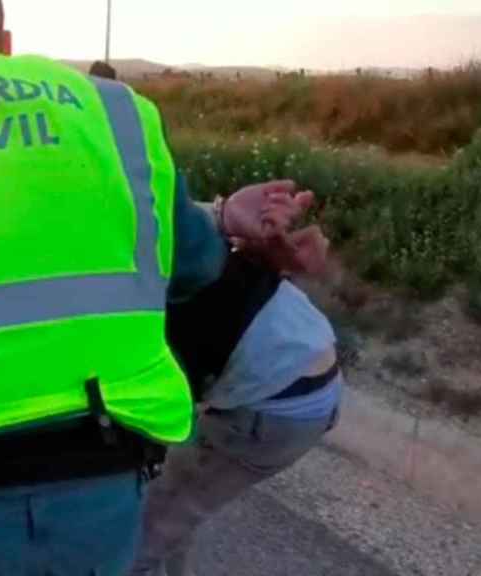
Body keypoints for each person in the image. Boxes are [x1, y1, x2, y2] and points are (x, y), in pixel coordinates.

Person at [0, 1, 320, 574]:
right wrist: (222, 216)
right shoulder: (112, 111)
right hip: (101, 492)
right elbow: (194, 264)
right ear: (5, 38)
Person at [130, 229, 341, 576]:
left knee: (142, 534)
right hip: (304, 356)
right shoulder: (157, 229)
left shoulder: (141, 310)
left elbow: (161, 407)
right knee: (171, 502)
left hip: (275, 405)